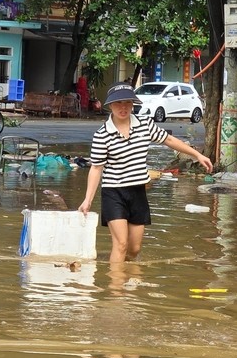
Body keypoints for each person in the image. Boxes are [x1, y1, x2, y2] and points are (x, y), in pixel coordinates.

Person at [78, 83, 214, 265]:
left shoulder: (144, 124)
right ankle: (116, 291)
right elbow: (96, 168)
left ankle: (131, 284)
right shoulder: (102, 135)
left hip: (138, 192)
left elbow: (169, 139)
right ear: (110, 105)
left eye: (127, 103)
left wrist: (197, 154)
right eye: (118, 103)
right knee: (121, 244)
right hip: (113, 192)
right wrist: (87, 200)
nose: (123, 107)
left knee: (134, 249)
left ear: (133, 104)